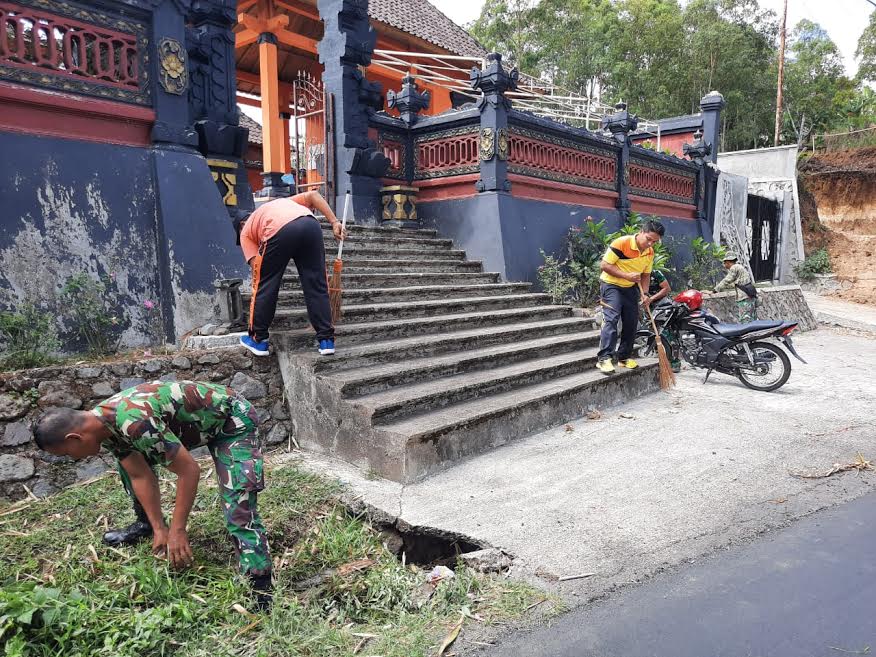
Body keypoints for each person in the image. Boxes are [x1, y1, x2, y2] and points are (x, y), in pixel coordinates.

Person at [33, 381, 273, 609]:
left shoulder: (134, 423)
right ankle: (146, 525)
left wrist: (178, 530)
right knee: (126, 468)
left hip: (230, 420)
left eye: (67, 453)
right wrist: (160, 528)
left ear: (74, 438)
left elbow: (188, 471)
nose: (74, 459)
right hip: (193, 426)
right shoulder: (102, 428)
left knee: (237, 500)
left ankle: (259, 582)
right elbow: (139, 475)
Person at [238, 190, 346, 357]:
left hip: (278, 229)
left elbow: (259, 273)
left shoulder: (245, 233)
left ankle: (258, 340)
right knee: (316, 283)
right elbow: (313, 196)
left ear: (239, 226)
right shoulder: (284, 202)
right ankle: (326, 341)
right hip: (311, 225)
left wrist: (274, 272)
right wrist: (334, 222)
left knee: (265, 284)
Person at [596, 219, 665, 374]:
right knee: (611, 319)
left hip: (630, 288)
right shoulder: (621, 243)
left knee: (631, 322)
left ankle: (623, 357)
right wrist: (626, 275)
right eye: (648, 239)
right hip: (611, 285)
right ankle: (604, 359)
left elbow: (646, 275)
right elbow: (604, 266)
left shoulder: (650, 252)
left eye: (654, 242)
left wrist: (645, 294)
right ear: (641, 232)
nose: (650, 244)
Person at [713, 252, 758, 322]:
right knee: (752, 318)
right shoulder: (739, 267)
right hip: (750, 294)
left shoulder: (734, 268)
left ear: (728, 262)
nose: (724, 265)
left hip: (744, 297)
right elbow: (733, 283)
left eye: (724, 263)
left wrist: (714, 290)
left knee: (745, 319)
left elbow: (727, 280)